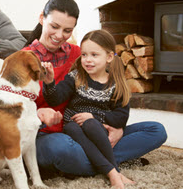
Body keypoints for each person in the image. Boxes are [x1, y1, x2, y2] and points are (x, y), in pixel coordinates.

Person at [23, 0, 168, 177]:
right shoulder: (21, 59)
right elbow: (7, 109)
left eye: (67, 30)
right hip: (49, 135)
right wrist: (36, 114)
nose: (59, 35)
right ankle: (108, 164)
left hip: (92, 131)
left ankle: (94, 163)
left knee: (156, 130)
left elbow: (117, 109)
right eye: (54, 26)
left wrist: (118, 129)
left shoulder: (81, 54)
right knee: (61, 148)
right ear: (42, 18)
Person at [41, 29, 134, 188]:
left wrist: (93, 116)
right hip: (73, 126)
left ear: (109, 57)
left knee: (155, 129)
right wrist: (49, 83)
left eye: (94, 55)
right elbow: (55, 99)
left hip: (99, 132)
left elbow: (121, 118)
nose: (88, 60)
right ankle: (114, 172)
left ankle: (93, 162)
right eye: (84, 55)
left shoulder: (115, 84)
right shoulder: (76, 77)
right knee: (75, 129)